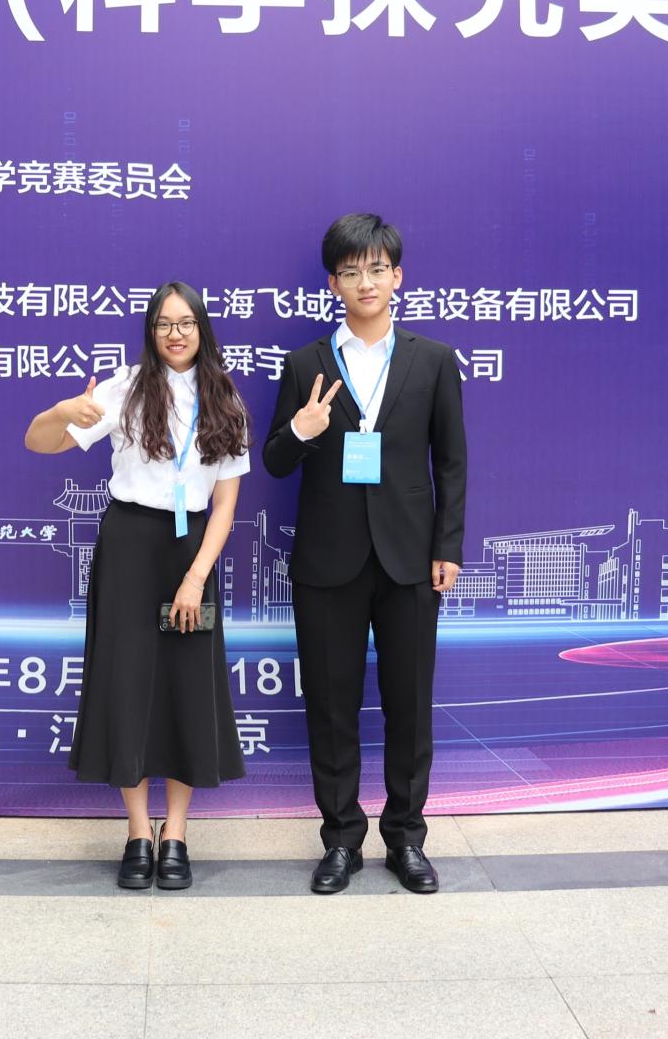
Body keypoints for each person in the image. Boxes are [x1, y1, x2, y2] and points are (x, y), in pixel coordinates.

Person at [264, 214, 468, 894]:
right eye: (351, 272)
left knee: (410, 706)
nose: (365, 282)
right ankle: (341, 841)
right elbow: (275, 461)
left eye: (377, 269)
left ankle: (406, 839)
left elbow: (452, 461)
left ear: (397, 276)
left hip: (410, 559)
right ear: (334, 284)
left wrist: (447, 546)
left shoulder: (432, 360)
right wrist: (302, 428)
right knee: (331, 707)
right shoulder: (305, 365)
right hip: (329, 561)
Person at [23, 282, 250, 890]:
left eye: (186, 322)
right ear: (151, 332)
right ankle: (138, 833)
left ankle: (176, 834)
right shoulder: (123, 388)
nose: (176, 334)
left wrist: (196, 578)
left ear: (202, 329)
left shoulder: (225, 397)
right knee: (127, 685)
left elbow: (226, 505)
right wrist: (61, 412)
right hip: (129, 546)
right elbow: (38, 442)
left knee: (185, 687)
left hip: (191, 550)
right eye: (164, 324)